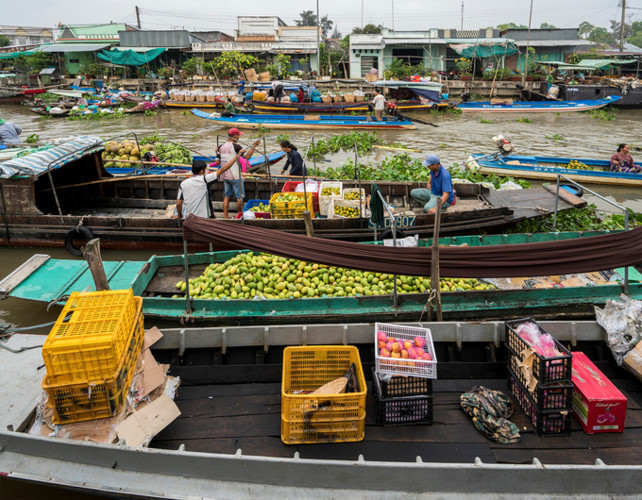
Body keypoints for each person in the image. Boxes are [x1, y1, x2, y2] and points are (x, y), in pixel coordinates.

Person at [175, 152, 244, 219]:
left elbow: (178, 203)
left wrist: (180, 216)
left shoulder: (183, 183)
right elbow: (223, 169)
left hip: (189, 217)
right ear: (201, 171)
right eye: (205, 170)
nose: (206, 171)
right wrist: (236, 158)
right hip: (204, 218)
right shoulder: (205, 179)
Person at [217, 128, 261, 219]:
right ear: (234, 136)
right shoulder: (236, 146)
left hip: (225, 175)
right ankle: (239, 216)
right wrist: (254, 146)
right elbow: (247, 157)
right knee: (239, 197)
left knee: (227, 196)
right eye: (238, 135)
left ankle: (226, 216)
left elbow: (217, 162)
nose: (239, 137)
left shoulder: (220, 146)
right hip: (235, 175)